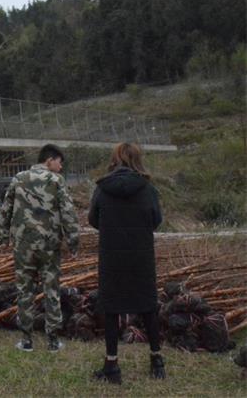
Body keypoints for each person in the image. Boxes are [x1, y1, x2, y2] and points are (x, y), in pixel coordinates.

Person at [89, 143, 165, 384]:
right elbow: (156, 220)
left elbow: (93, 219)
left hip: (112, 256)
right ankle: (157, 361)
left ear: (115, 160)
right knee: (148, 306)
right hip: (141, 256)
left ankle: (112, 366)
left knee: (111, 309)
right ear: (137, 160)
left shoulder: (102, 188)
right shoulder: (148, 189)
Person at [0, 144, 80, 353]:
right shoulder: (56, 181)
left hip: (23, 245)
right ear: (49, 160)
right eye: (59, 162)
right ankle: (52, 340)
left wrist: (2, 238)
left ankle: (26, 340)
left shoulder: (18, 178)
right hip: (49, 245)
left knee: (24, 290)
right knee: (51, 289)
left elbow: (5, 209)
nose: (60, 168)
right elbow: (68, 213)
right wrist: (73, 242)